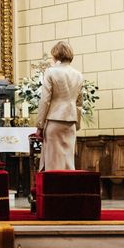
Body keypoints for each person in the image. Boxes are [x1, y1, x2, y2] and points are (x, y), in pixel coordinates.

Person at [35, 41, 83, 171]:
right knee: (68, 163)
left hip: (55, 120)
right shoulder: (78, 75)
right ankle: (68, 190)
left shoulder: (51, 72)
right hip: (71, 121)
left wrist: (39, 125)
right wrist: (77, 123)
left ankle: (53, 190)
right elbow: (79, 104)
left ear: (56, 54)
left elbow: (45, 100)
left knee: (53, 163)